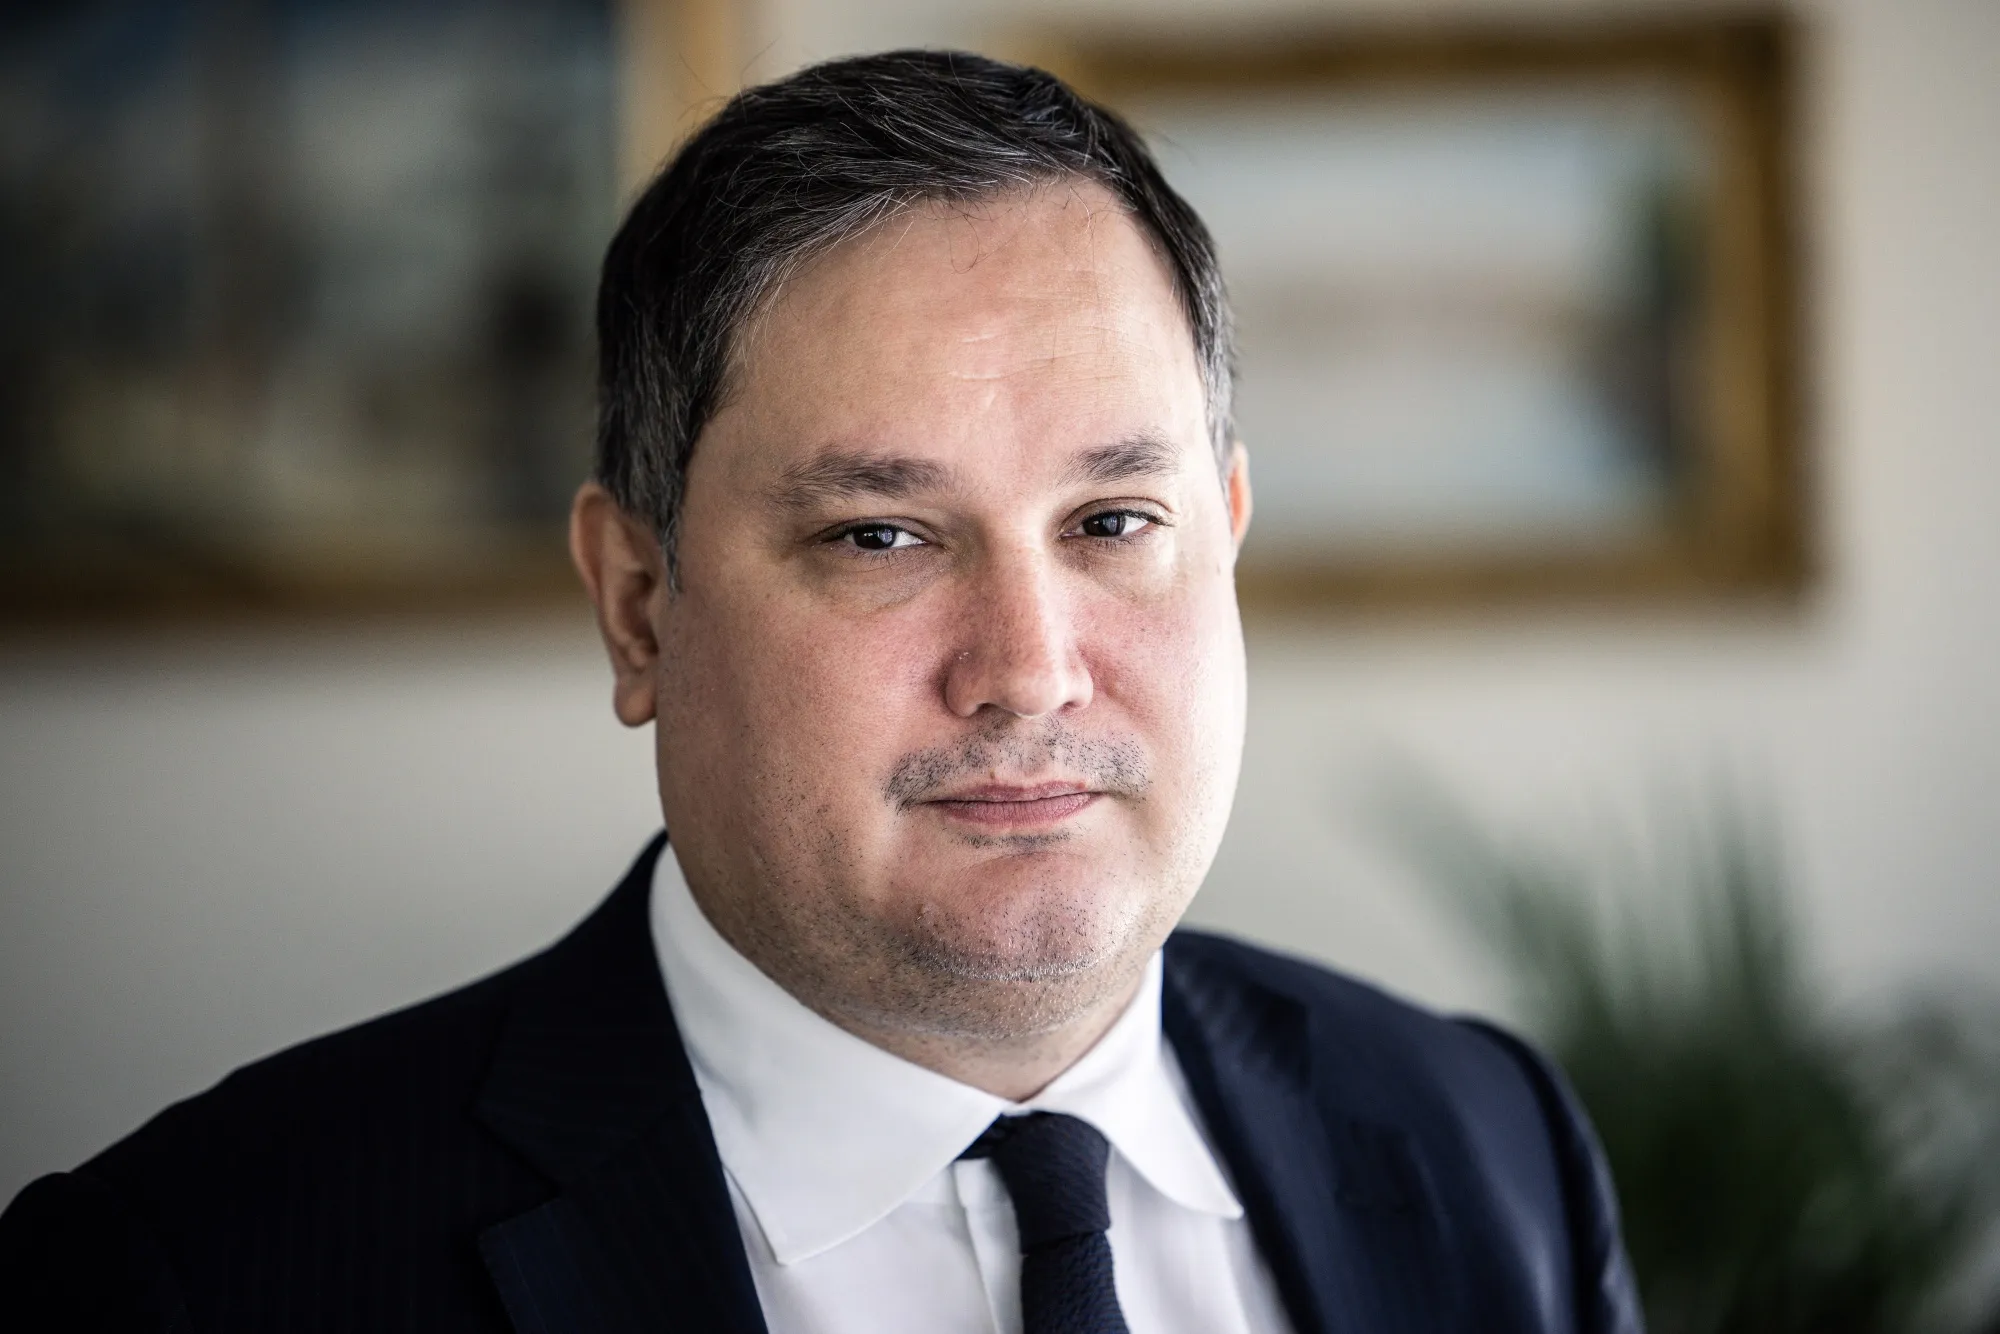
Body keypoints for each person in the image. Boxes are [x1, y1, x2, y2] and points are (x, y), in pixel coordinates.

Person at [0, 49, 1640, 1334]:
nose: (1029, 667)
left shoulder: (1493, 1143)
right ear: (638, 606)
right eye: (880, 535)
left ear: (1225, 534)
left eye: (1112, 522)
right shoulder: (186, 1276)